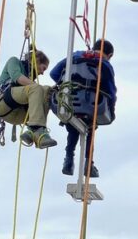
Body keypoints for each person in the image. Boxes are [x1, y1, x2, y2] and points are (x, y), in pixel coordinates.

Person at [49, 38, 116, 178]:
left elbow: (54, 73)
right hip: (91, 105)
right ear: (109, 55)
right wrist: (112, 111)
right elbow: (111, 92)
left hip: (68, 102)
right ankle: (88, 163)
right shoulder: (105, 64)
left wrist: (67, 85)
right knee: (91, 126)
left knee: (73, 123)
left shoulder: (74, 56)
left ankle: (68, 158)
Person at [0, 51, 57, 149]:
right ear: (37, 60)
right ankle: (37, 130)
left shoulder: (32, 84)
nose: (43, 73)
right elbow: (17, 77)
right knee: (37, 88)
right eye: (43, 68)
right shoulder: (14, 61)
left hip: (18, 114)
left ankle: (33, 132)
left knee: (47, 90)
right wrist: (38, 88)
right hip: (2, 103)